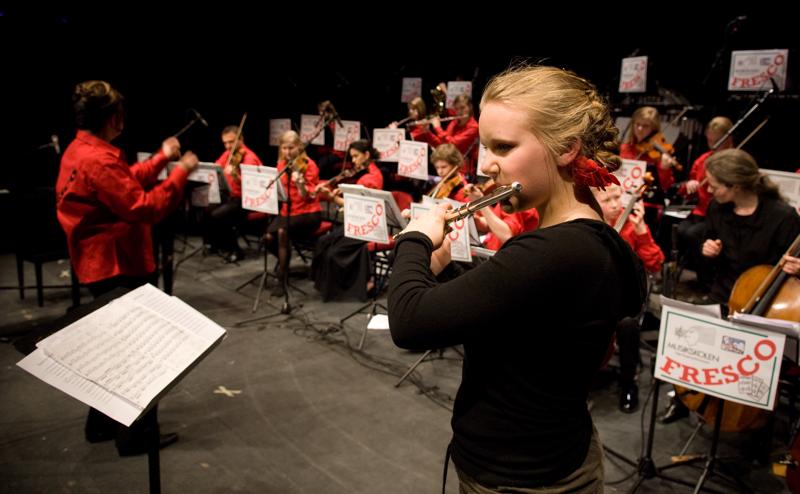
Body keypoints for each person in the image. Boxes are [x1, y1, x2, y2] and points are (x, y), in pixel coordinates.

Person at [388, 66, 646, 492]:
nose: (486, 165)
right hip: (557, 453)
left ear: (567, 148)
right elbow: (512, 317)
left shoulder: (553, 252)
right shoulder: (594, 240)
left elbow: (409, 324)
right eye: (485, 147)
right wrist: (443, 269)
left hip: (518, 476)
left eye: (503, 147)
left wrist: (414, 241)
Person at [56, 80, 199, 456]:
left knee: (112, 349)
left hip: (98, 262)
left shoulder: (80, 149)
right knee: (137, 354)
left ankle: (101, 426)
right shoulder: (98, 159)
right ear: (112, 117)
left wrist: (161, 158)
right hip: (118, 263)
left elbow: (122, 184)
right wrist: (181, 172)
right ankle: (137, 438)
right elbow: (142, 206)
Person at [660, 148, 800, 424]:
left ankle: (751, 413)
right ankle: (684, 398)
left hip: (765, 301)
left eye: (714, 185)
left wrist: (797, 268)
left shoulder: (782, 217)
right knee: (692, 339)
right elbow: (709, 253)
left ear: (735, 186)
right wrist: (708, 250)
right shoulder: (718, 208)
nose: (709, 190)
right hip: (724, 292)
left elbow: (792, 270)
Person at [593, 184, 664, 413]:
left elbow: (655, 264)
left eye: (618, 198)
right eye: (607, 200)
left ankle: (628, 381)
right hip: (593, 295)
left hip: (623, 297)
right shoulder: (585, 224)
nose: (616, 205)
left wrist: (642, 232)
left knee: (628, 324)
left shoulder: (632, 224)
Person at [311, 140, 384, 301]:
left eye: (356, 156)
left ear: (366, 155)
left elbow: (356, 206)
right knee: (324, 242)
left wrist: (332, 197)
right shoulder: (364, 172)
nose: (353, 161)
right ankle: (325, 285)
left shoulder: (371, 178)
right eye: (352, 157)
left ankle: (342, 288)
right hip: (357, 221)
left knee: (331, 251)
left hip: (367, 226)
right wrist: (341, 192)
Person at [674, 116, 734, 291]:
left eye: (718, 142)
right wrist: (689, 185)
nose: (713, 146)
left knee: (694, 234)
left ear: (728, 139)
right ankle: (688, 274)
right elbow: (685, 191)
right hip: (701, 211)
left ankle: (707, 280)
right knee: (680, 230)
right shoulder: (703, 160)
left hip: (724, 213)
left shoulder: (734, 160)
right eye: (710, 141)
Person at [264, 131, 322, 297]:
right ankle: (285, 262)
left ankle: (282, 278)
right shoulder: (282, 164)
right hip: (288, 211)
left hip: (309, 213)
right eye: (284, 148)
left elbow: (307, 196)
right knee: (268, 238)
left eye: (291, 148)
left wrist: (300, 185)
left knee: (283, 232)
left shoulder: (309, 165)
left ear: (299, 147)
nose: (287, 152)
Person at [206, 125, 263, 261]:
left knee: (220, 215)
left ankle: (236, 250)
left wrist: (236, 176)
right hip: (232, 197)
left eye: (231, 142)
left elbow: (252, 187)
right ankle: (217, 244)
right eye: (225, 143)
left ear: (241, 139)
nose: (227, 146)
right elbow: (217, 166)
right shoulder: (228, 154)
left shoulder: (249, 158)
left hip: (247, 200)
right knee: (208, 209)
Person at [619, 106, 679, 234]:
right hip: (622, 201)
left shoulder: (659, 154)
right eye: (637, 124)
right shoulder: (624, 149)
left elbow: (666, 186)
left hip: (647, 205)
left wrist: (663, 169)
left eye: (645, 126)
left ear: (654, 128)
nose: (639, 129)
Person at [429, 94, 480, 179]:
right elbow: (442, 145)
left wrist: (438, 128)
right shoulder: (454, 123)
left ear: (470, 107)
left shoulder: (473, 127)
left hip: (462, 170)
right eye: (457, 109)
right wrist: (427, 132)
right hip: (447, 166)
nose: (459, 112)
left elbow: (452, 144)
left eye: (462, 108)